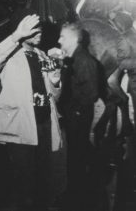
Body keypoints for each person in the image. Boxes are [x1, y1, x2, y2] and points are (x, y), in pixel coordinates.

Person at [0, 13, 65, 211]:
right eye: (34, 29)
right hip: (20, 127)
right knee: (24, 181)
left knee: (44, 178)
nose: (39, 33)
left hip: (44, 123)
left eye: (40, 29)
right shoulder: (10, 54)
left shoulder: (42, 55)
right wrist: (16, 36)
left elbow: (55, 96)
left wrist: (55, 78)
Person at [55, 22, 102, 211]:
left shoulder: (83, 60)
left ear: (74, 39)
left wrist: (74, 110)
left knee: (76, 157)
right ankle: (76, 192)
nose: (59, 40)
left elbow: (91, 94)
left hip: (79, 115)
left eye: (62, 37)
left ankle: (76, 197)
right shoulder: (73, 57)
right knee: (76, 154)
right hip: (75, 114)